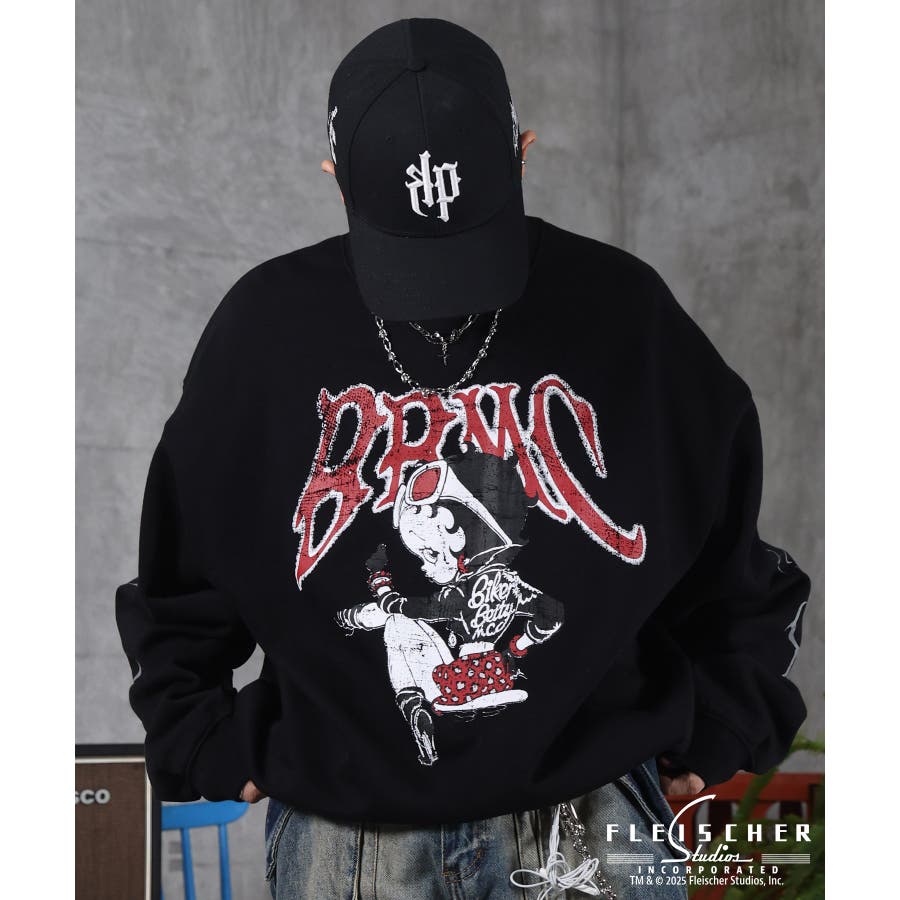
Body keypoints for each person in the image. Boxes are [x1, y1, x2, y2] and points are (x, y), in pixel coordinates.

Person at [115, 17, 811, 899]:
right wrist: (201, 737)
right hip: (347, 840)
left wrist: (721, 727)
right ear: (336, 178)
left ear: (523, 150)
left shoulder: (627, 315)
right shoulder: (264, 330)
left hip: (589, 822)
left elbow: (734, 563)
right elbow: (181, 576)